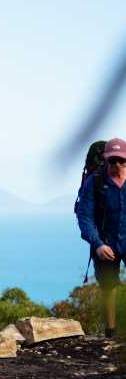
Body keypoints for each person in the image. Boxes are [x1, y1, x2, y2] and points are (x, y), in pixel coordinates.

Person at [76, 137, 126, 339]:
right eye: (112, 160)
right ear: (106, 159)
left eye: (121, 160)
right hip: (105, 243)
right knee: (108, 287)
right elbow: (84, 216)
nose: (116, 165)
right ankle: (111, 334)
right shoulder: (95, 181)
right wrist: (97, 244)